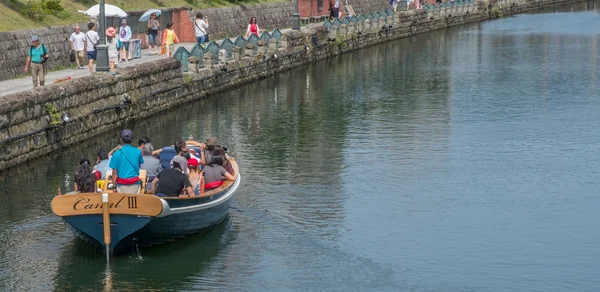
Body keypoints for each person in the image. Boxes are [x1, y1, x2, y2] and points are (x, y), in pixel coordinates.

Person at [109, 129, 144, 194]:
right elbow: (138, 166)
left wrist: (114, 187)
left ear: (121, 140)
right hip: (135, 184)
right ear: (132, 139)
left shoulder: (116, 154)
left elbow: (114, 173)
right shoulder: (138, 152)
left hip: (121, 186)